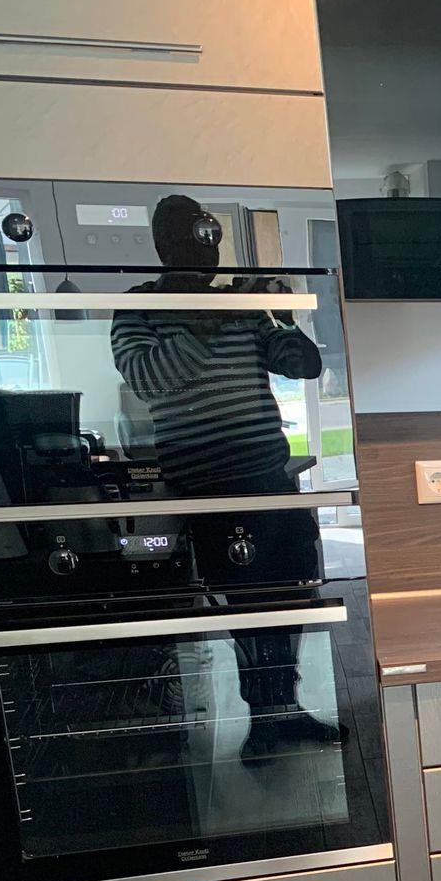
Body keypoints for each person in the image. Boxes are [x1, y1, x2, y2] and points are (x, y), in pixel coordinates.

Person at [111, 194, 339, 765]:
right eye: (194, 238)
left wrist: (280, 313)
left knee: (291, 599)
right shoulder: (137, 306)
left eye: (210, 238)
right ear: (165, 246)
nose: (208, 251)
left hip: (268, 477)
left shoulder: (237, 304)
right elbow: (148, 378)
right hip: (209, 488)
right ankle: (265, 720)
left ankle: (283, 711)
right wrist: (218, 314)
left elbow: (303, 365)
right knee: (243, 610)